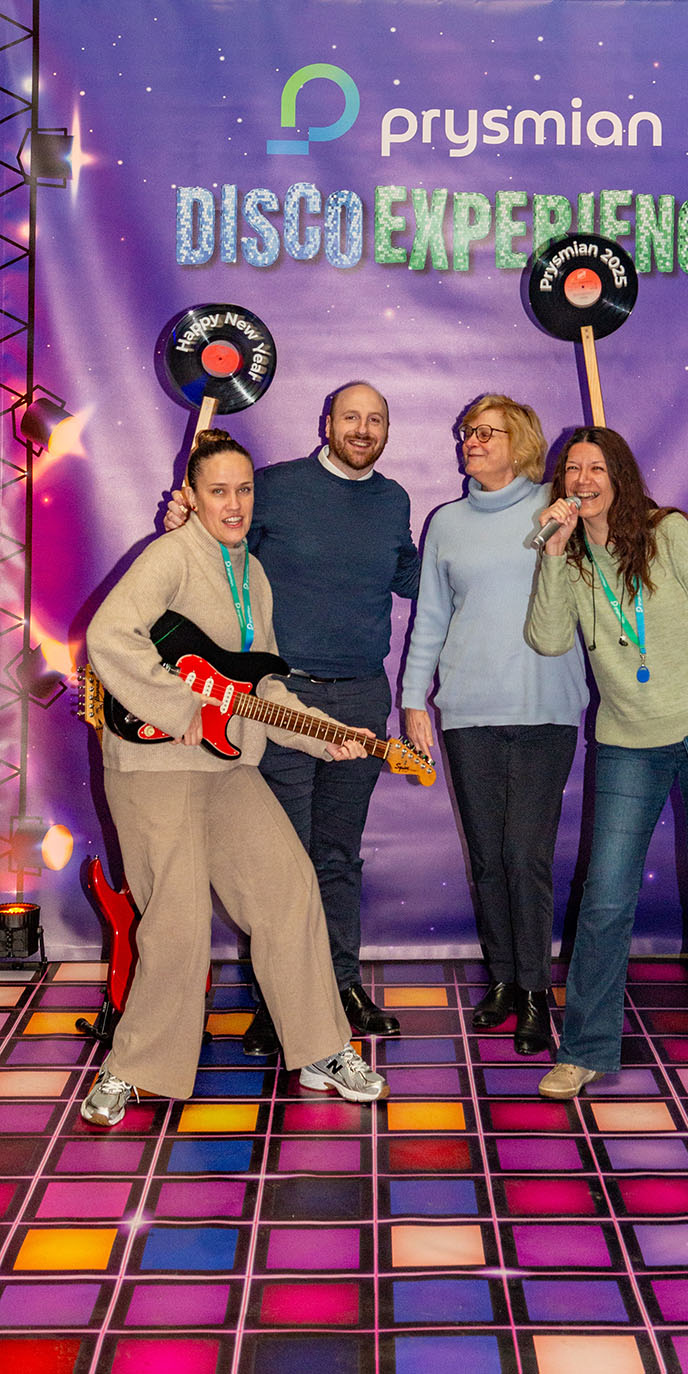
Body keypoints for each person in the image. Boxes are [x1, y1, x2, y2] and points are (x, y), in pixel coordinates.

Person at [81, 429, 388, 1126]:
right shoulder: (169, 555)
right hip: (154, 767)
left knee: (289, 889)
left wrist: (328, 735)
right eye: (218, 491)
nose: (234, 504)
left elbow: (262, 688)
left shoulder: (254, 575)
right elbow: (109, 637)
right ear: (190, 497)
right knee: (177, 920)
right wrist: (180, 705)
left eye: (244, 490)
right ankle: (132, 1068)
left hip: (226, 766)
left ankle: (320, 1049)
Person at [165, 383, 420, 1049]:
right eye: (351, 417)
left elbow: (416, 578)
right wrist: (183, 522)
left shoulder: (394, 501)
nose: (362, 429)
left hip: (362, 698)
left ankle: (339, 986)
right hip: (282, 703)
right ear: (326, 422)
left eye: (375, 419)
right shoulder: (275, 488)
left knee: (337, 856)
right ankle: (276, 1002)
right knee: (281, 861)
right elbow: (217, 550)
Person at [526, 426, 688, 1099]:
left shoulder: (668, 533)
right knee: (603, 897)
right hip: (629, 740)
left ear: (620, 477)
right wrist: (553, 552)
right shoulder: (571, 559)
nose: (583, 481)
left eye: (596, 468)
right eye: (572, 471)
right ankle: (584, 1049)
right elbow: (547, 640)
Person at [402, 396, 588, 1055]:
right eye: (466, 432)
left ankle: (536, 992)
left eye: (486, 432)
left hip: (544, 709)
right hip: (468, 713)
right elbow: (430, 616)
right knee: (486, 858)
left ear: (522, 442)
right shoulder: (446, 523)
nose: (471, 441)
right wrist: (414, 698)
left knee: (524, 856)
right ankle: (505, 979)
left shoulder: (559, 506)